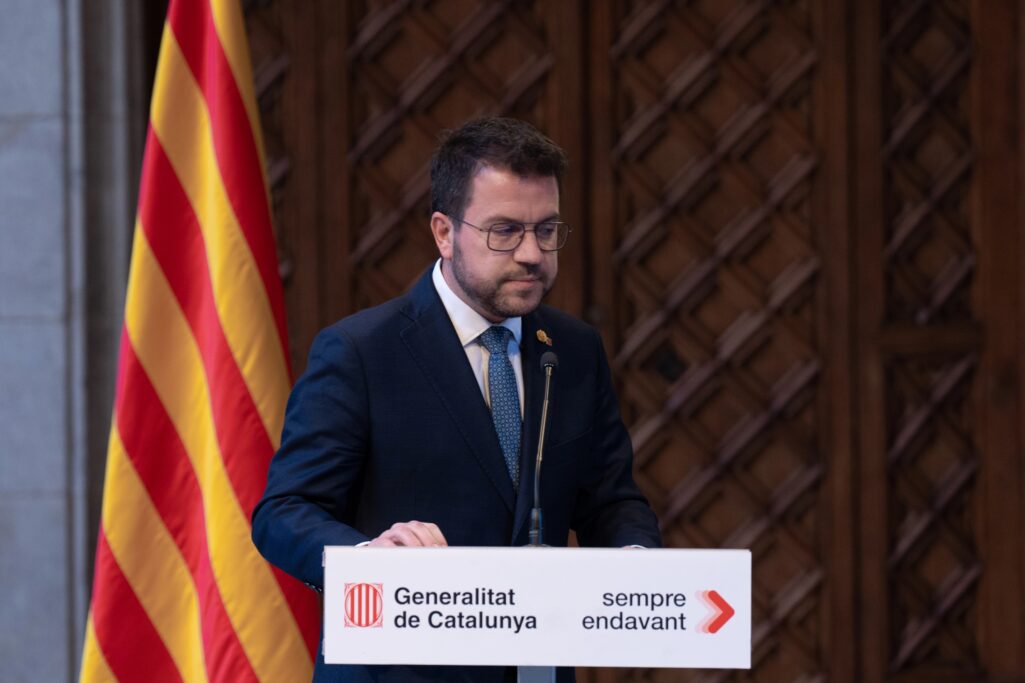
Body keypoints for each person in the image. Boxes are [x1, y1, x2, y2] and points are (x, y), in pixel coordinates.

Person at [252, 117, 662, 682]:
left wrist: (637, 563)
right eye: (504, 231)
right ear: (444, 233)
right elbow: (283, 512)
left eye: (546, 230)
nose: (532, 254)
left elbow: (610, 501)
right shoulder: (360, 352)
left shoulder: (572, 349)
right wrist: (369, 558)